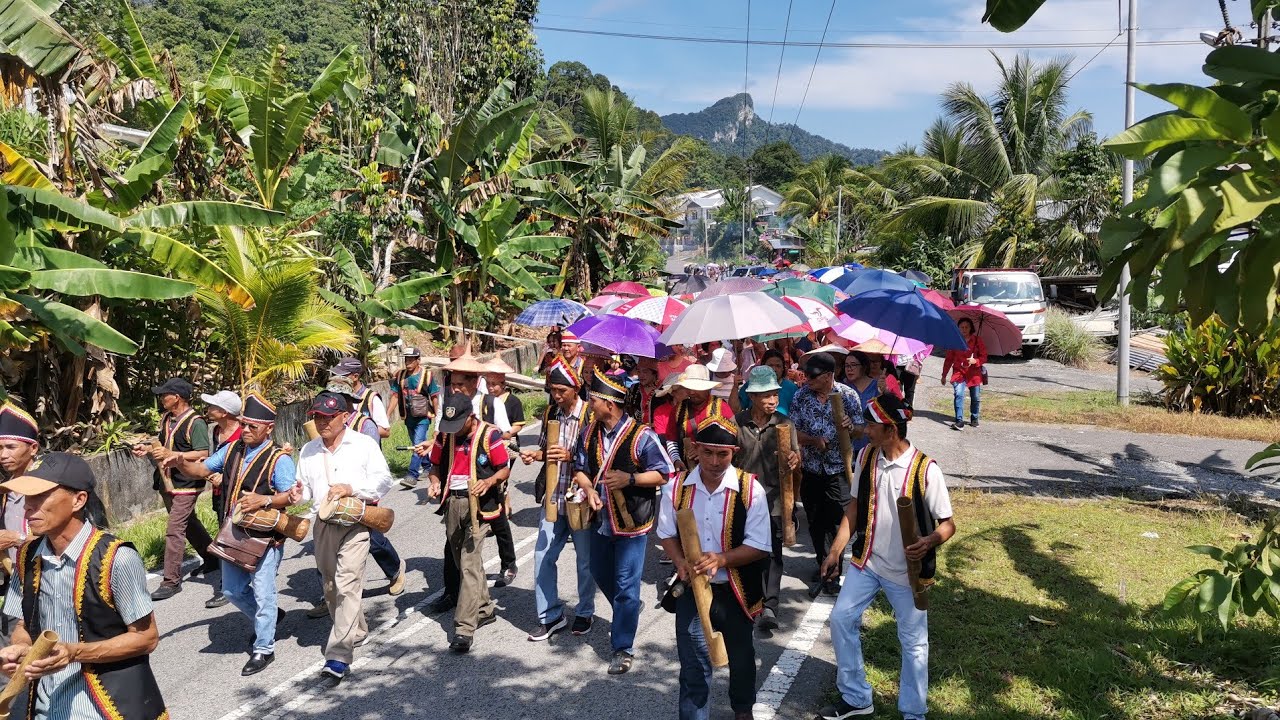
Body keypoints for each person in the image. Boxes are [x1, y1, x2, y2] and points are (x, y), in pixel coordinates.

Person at [817, 395, 955, 720]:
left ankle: (913, 712)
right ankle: (856, 697)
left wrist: (929, 540)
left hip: (907, 574)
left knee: (914, 642)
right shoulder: (866, 456)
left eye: (871, 425)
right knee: (841, 619)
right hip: (867, 562)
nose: (865, 430)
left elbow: (948, 525)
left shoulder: (926, 469)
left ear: (891, 429)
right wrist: (836, 550)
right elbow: (853, 509)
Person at [1, 452, 167, 719]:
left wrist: (74, 652)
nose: (28, 507)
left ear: (78, 500)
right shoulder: (26, 556)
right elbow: (22, 624)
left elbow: (146, 638)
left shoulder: (116, 558)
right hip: (46, 707)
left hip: (107, 707)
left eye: (40, 496)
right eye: (26, 498)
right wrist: (22, 649)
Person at [172, 393, 298, 676]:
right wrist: (177, 460)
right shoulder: (231, 450)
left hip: (265, 538)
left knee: (265, 594)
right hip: (234, 534)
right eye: (245, 424)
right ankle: (269, 619)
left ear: (269, 428)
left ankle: (264, 648)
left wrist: (263, 500)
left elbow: (290, 497)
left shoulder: (280, 459)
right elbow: (201, 468)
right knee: (231, 590)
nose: (247, 430)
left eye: (254, 426)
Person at [658, 416, 771, 720]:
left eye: (723, 454)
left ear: (734, 452)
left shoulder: (750, 489)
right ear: (695, 450)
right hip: (693, 589)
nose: (714, 461)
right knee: (693, 664)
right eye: (707, 452)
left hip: (736, 588)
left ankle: (743, 712)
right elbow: (667, 533)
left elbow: (760, 545)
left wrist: (721, 559)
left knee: (742, 658)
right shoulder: (677, 486)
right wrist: (680, 561)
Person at [572, 368, 673, 675]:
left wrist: (630, 478)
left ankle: (622, 647)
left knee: (627, 586)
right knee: (601, 573)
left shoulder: (642, 436)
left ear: (610, 404)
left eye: (594, 398)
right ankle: (627, 611)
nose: (590, 402)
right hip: (600, 520)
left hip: (632, 523)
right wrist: (589, 490)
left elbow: (664, 472)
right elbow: (579, 469)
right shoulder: (588, 433)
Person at [297, 391, 395, 687]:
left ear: (344, 416)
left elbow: (383, 480)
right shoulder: (308, 450)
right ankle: (358, 630)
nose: (323, 422)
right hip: (323, 524)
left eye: (329, 416)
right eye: (318, 417)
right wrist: (291, 494)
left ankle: (338, 656)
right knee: (330, 585)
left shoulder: (363, 444)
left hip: (355, 522)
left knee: (348, 583)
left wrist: (352, 487)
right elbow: (302, 492)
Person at [421, 392, 509, 653]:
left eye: (458, 424)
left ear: (470, 417)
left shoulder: (490, 435)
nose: (453, 430)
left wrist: (489, 481)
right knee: (463, 561)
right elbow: (434, 466)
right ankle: (484, 608)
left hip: (479, 506)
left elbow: (503, 468)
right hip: (452, 504)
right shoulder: (445, 436)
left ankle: (463, 629)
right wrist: (435, 483)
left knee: (469, 564)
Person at [518, 357, 597, 641]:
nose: (556, 395)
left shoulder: (591, 415)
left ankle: (585, 611)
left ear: (575, 388)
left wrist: (571, 456)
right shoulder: (551, 413)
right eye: (553, 390)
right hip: (553, 495)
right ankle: (550, 615)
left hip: (580, 498)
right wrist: (533, 455)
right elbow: (544, 450)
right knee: (543, 555)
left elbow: (599, 459)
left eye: (562, 390)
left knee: (585, 560)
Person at [325, 358, 406, 600]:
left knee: (371, 537)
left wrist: (356, 432)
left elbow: (385, 431)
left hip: (361, 484)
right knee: (329, 545)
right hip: (335, 487)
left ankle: (394, 570)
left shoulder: (370, 404)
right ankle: (328, 595)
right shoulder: (328, 418)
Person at [133, 377, 217, 601]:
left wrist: (174, 456)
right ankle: (211, 557)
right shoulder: (167, 419)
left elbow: (202, 454)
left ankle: (171, 581)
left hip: (187, 482)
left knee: (175, 529)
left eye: (164, 395)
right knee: (188, 522)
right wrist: (147, 448)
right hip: (167, 480)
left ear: (176, 397)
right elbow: (162, 445)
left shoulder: (195, 422)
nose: (161, 399)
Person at [789, 353, 865, 595]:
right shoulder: (802, 396)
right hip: (811, 469)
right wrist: (812, 440)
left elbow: (862, 428)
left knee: (837, 519)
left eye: (813, 376)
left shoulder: (848, 395)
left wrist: (851, 428)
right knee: (815, 520)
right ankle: (823, 562)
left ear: (829, 376)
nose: (807, 379)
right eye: (806, 374)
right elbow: (792, 431)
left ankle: (832, 571)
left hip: (838, 470)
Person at [732, 366, 800, 632]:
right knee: (742, 549)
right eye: (766, 395)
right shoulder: (737, 423)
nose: (773, 400)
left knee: (772, 552)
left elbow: (795, 456)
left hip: (773, 499)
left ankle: (770, 604)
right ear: (752, 396)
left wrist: (794, 460)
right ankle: (747, 600)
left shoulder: (785, 424)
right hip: (742, 498)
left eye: (775, 394)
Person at [197, 389, 242, 609]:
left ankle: (231, 585)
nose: (208, 409)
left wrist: (224, 477)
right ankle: (231, 582)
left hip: (240, 492)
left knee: (236, 536)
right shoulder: (215, 431)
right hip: (219, 493)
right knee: (223, 532)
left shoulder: (244, 432)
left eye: (213, 406)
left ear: (224, 412)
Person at [483, 358, 525, 587]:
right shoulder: (474, 402)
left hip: (504, 446)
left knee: (501, 485)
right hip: (480, 453)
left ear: (504, 384)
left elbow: (516, 426)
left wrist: (506, 434)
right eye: (488, 384)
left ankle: (504, 511)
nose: (491, 388)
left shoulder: (511, 401)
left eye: (495, 384)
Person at [662, 365, 728, 473]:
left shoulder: (722, 408)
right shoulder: (678, 410)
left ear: (707, 389)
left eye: (696, 388)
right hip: (688, 471)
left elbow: (732, 441)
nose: (691, 392)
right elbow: (671, 439)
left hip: (717, 471)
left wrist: (705, 451)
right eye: (688, 388)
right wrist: (676, 460)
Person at [389, 346, 438, 490]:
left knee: (417, 444)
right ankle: (427, 466)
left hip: (423, 418)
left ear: (418, 360)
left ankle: (412, 475)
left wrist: (438, 417)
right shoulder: (400, 376)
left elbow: (434, 396)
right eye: (406, 359)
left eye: (411, 359)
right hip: (408, 417)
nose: (408, 362)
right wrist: (386, 416)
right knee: (418, 444)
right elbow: (394, 396)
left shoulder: (427, 375)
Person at [0, 402, 39, 569]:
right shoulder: (5, 489)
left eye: (11, 447)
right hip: (15, 579)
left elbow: (67, 539)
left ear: (33, 448)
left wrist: (18, 539)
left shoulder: (49, 486)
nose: (3, 455)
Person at [941, 318, 987, 430]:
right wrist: (944, 375)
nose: (964, 329)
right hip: (959, 372)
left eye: (967, 327)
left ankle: (974, 417)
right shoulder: (955, 341)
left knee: (975, 397)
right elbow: (948, 359)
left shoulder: (977, 340)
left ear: (971, 328)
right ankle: (959, 420)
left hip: (974, 374)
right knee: (959, 394)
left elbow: (984, 356)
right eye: (962, 327)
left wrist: (976, 361)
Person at [735, 350, 799, 417]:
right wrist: (735, 387)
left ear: (783, 368)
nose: (774, 369)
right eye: (770, 365)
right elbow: (736, 410)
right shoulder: (752, 385)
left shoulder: (791, 388)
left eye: (778, 366)